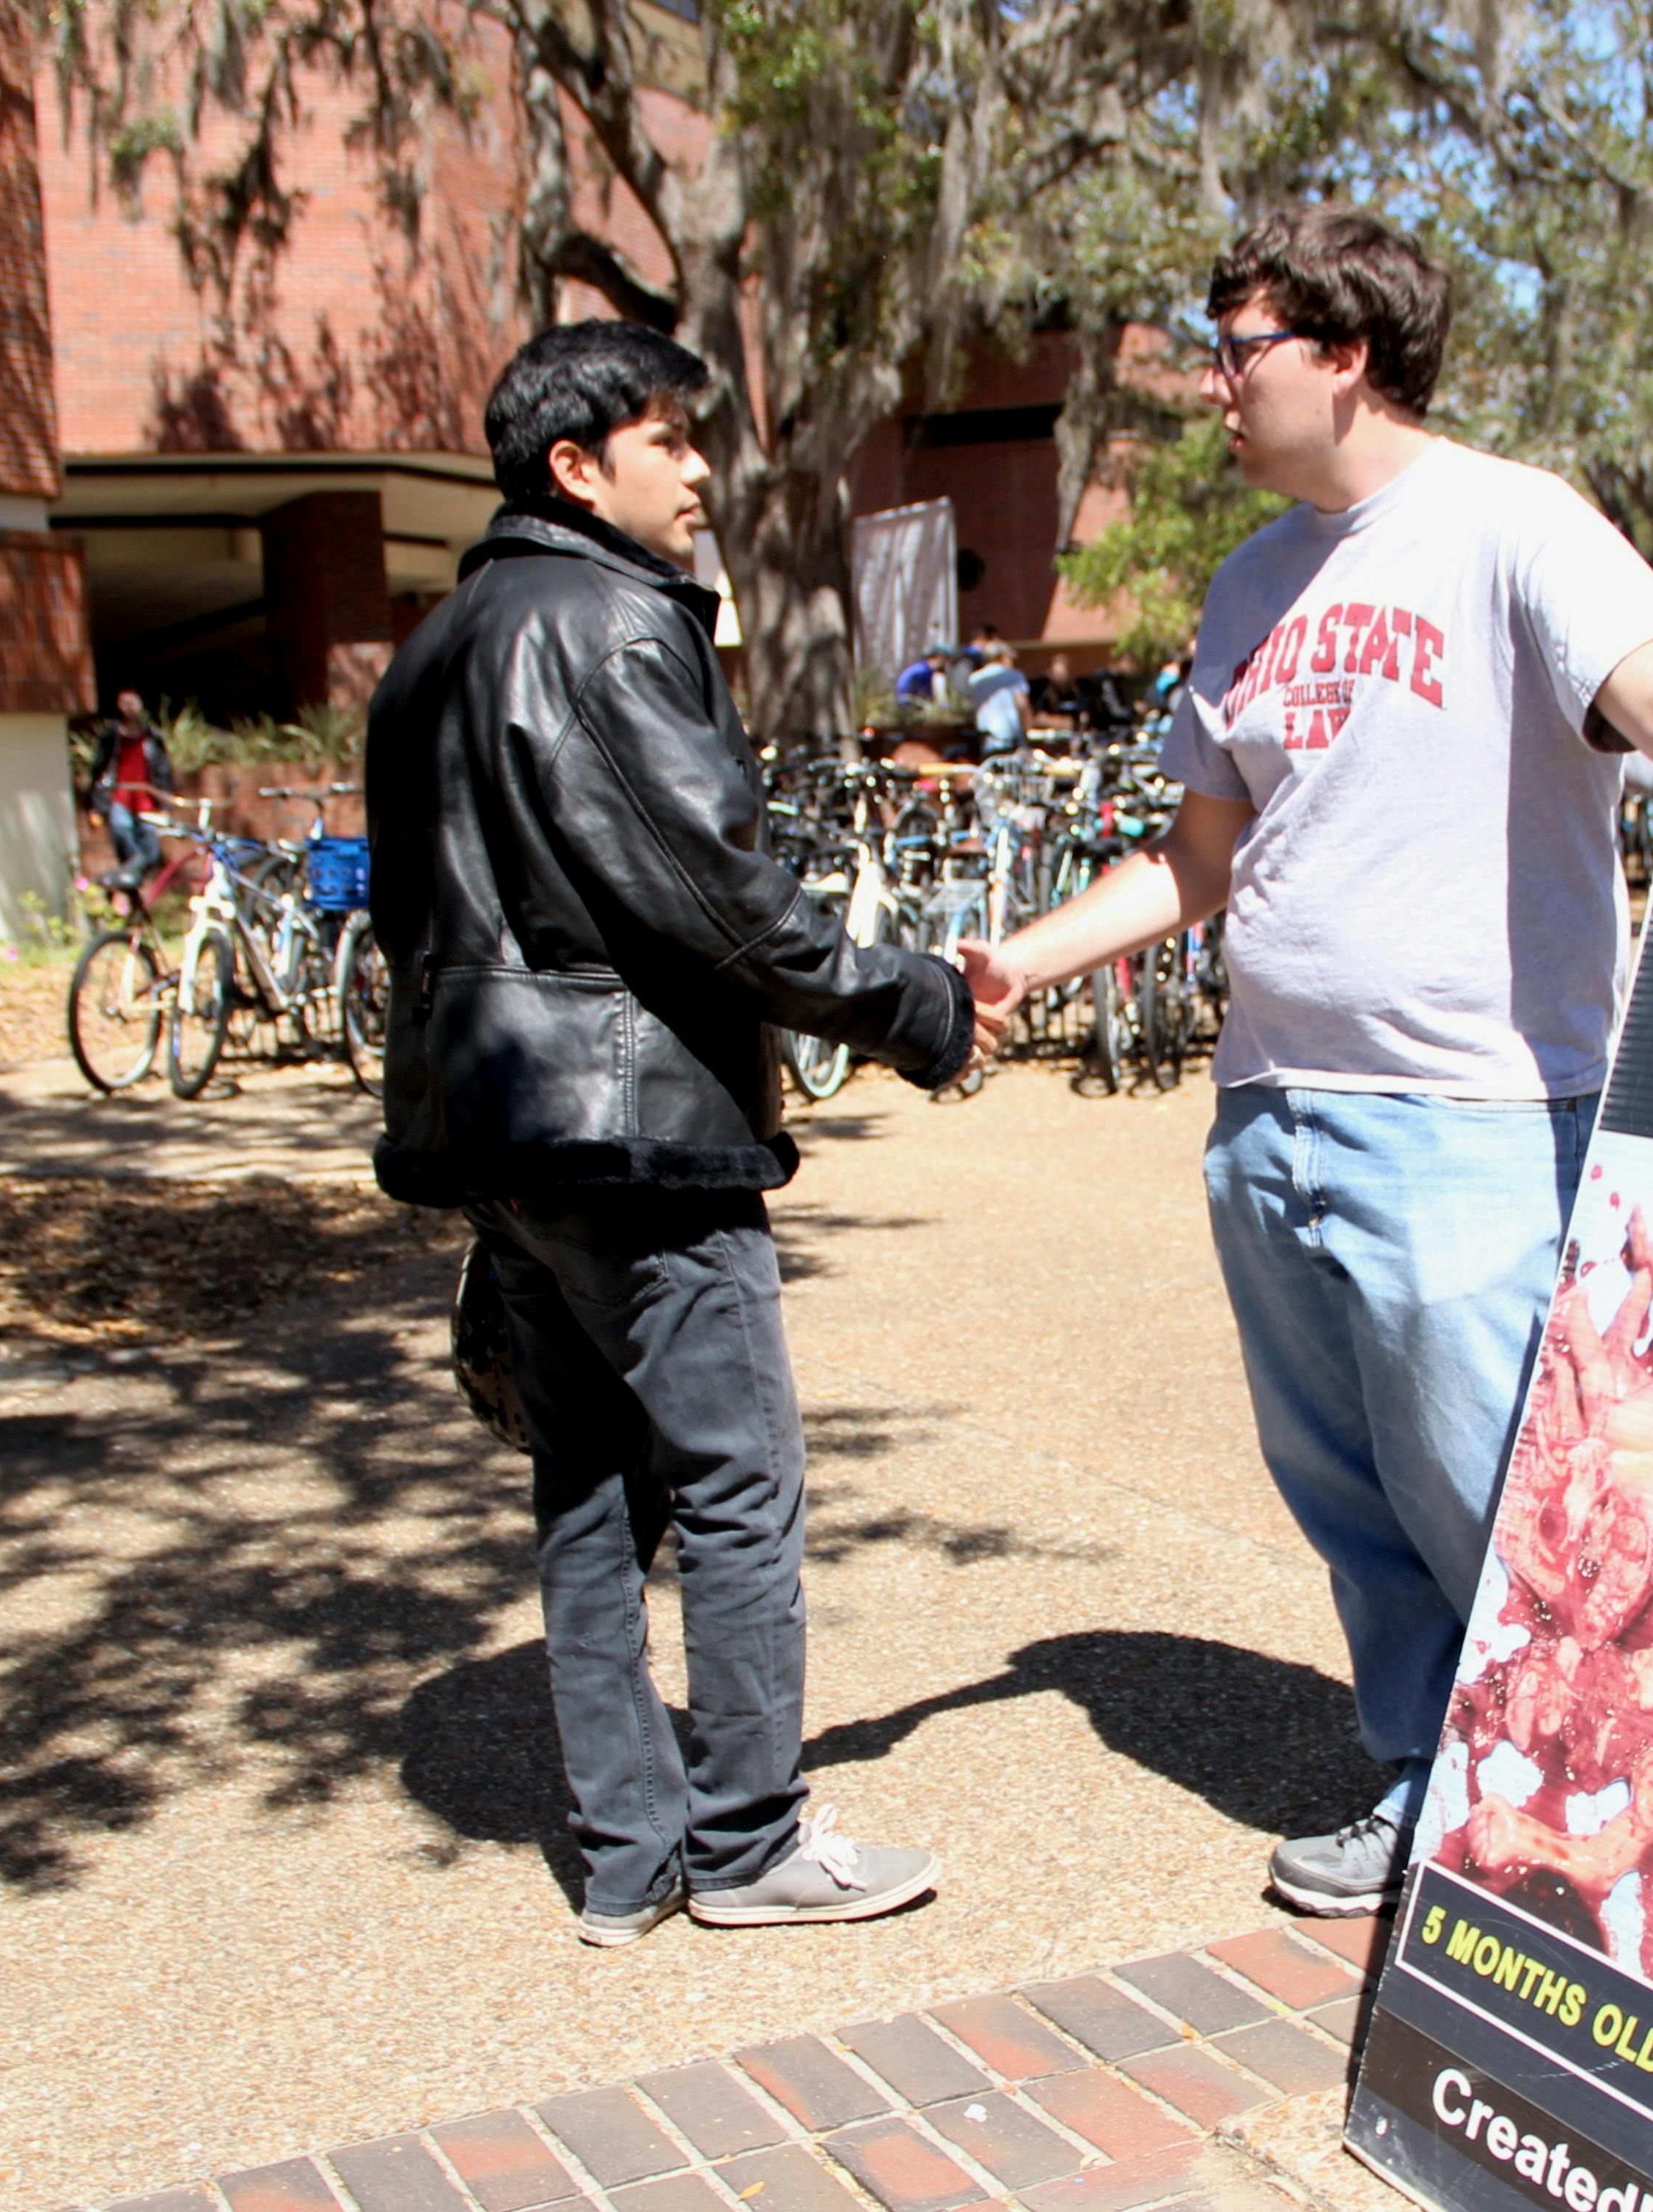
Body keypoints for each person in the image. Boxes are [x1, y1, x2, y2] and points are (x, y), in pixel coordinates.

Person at [956, 206, 1653, 1918]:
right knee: (1348, 1490)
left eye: (1239, 344)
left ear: (1344, 354)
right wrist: (1013, 961)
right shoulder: (1249, 584)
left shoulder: (1510, 524)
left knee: (1505, 1495)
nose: (1211, 382)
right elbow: (1203, 858)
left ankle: (1584, 1823)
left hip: (1475, 1117)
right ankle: (1432, 1770)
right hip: (1269, 1109)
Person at [367, 320, 972, 1943]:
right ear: (576, 466)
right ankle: (754, 1836)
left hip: (493, 1137)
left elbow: (411, 920)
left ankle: (628, 1855)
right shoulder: (610, 622)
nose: (701, 468)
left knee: (584, 1489)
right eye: (667, 438)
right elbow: (718, 900)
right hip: (636, 1142)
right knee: (734, 1483)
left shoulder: (429, 650)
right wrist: (907, 1001)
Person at [91, 690, 175, 894]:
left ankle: (137, 881)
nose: (130, 709)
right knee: (123, 835)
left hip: (146, 799)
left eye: (133, 704)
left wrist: (164, 803)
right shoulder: (112, 737)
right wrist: (96, 806)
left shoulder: (152, 738)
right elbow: (99, 769)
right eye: (125, 704)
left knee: (151, 848)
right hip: (120, 797)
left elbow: (163, 770)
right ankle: (130, 881)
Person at [968, 638, 1033, 753]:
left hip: (986, 740)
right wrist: (1028, 735)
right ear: (1003, 657)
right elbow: (1022, 705)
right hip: (1011, 740)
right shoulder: (1014, 676)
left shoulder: (974, 679)